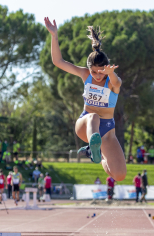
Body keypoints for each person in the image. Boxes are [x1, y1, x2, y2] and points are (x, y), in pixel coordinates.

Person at [44, 18, 126, 181]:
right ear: (89, 69)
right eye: (93, 72)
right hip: (86, 124)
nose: (97, 76)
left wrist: (110, 73)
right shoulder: (85, 75)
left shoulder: (111, 82)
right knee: (94, 116)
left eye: (101, 72)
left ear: (106, 69)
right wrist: (54, 36)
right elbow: (58, 62)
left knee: (120, 175)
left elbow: (118, 82)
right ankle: (92, 143)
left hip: (107, 132)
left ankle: (97, 154)